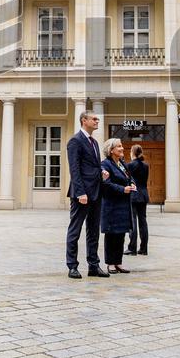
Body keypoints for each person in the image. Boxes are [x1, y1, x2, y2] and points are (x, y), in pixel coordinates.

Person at [65, 111, 108, 279]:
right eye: (94, 119)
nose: (97, 121)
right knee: (75, 230)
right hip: (82, 193)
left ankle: (93, 265)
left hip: (96, 192)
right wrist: (81, 192)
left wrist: (102, 171)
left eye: (97, 119)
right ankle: (72, 266)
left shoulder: (95, 143)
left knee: (93, 231)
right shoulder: (75, 141)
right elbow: (74, 169)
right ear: (84, 121)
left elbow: (93, 166)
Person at [99, 138, 136, 273]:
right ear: (111, 150)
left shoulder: (121, 163)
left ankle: (118, 262)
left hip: (123, 205)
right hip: (111, 205)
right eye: (119, 146)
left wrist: (132, 184)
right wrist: (122, 189)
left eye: (121, 146)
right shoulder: (105, 164)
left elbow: (129, 177)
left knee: (120, 234)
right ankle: (110, 263)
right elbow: (105, 184)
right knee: (111, 235)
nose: (122, 148)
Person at [125, 144, 149, 256]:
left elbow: (127, 180)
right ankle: (144, 249)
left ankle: (132, 248)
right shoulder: (146, 165)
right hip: (143, 194)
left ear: (133, 153)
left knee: (132, 221)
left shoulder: (130, 165)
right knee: (143, 222)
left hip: (133, 195)